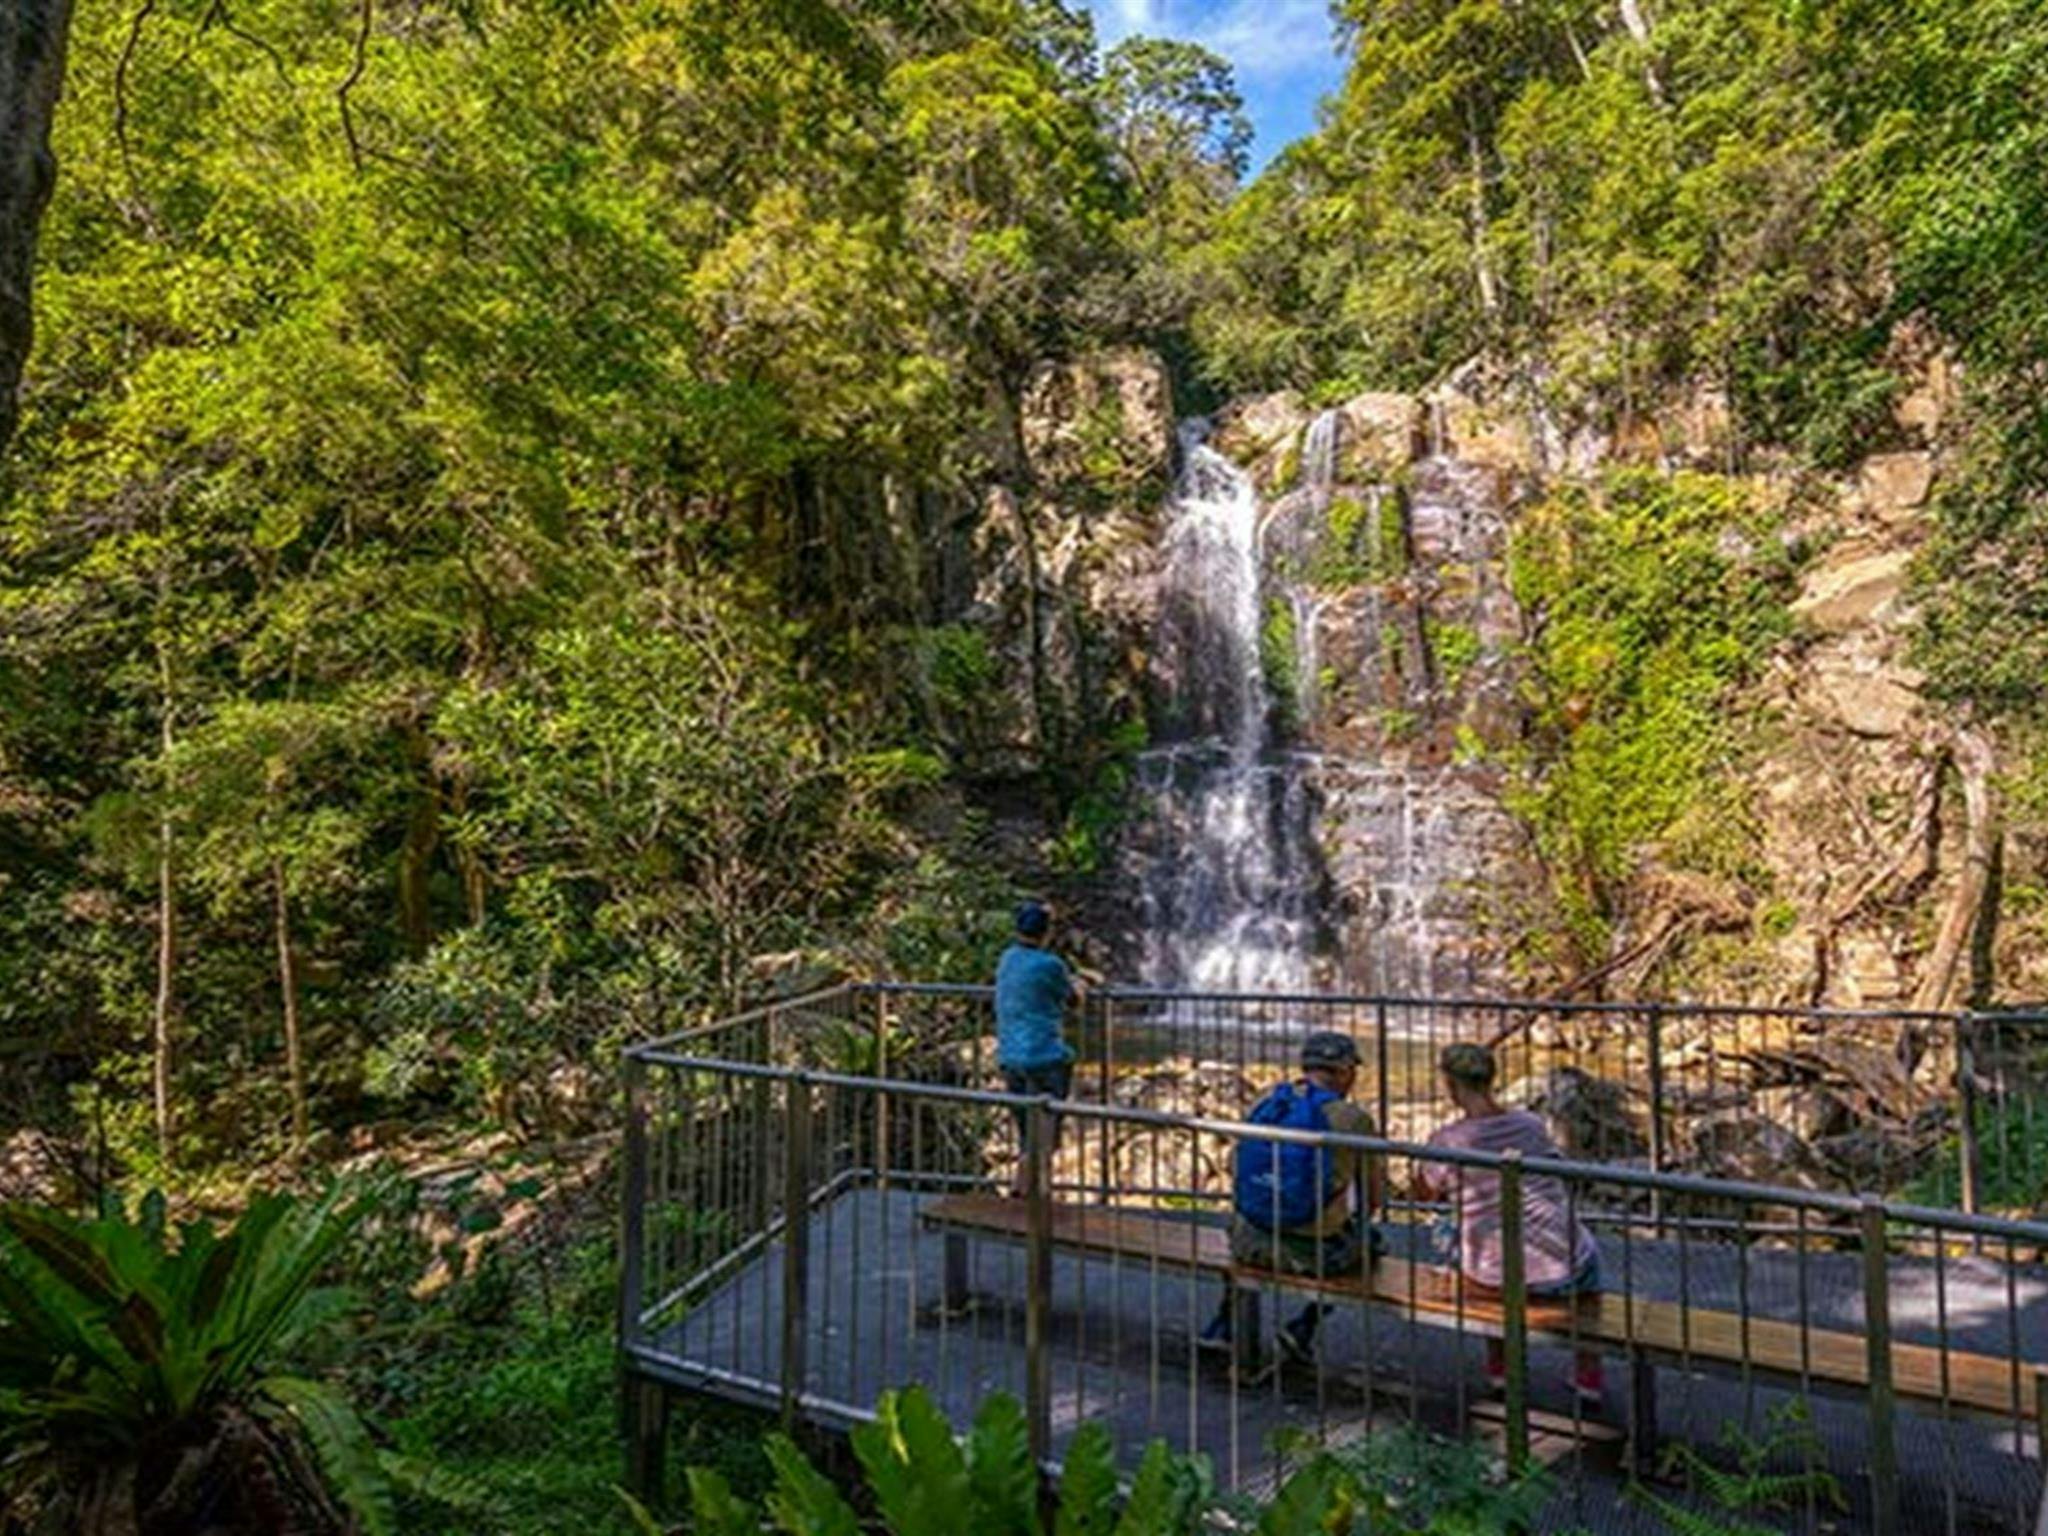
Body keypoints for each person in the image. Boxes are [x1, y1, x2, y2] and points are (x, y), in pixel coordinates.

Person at [1415, 1041, 1605, 1407]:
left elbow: (1424, 1195)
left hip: (1492, 1278)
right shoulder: (1531, 1125)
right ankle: (1588, 1373)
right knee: (1584, 1248)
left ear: (1451, 1085)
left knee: (1470, 1236)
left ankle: (1501, 1368)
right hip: (1566, 1269)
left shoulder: (1448, 1141)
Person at [1201, 1031, 1383, 1366]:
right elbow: (1374, 1197)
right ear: (1344, 1072)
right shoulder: (1353, 1119)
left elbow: (1236, 1167)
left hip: (1248, 1241)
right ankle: (1303, 1327)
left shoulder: (1267, 1104)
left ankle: (1223, 1323)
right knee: (1370, 1243)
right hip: (1311, 1254)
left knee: (1242, 1234)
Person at [993, 899, 1081, 1195]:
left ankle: (1020, 1194)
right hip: (1046, 1058)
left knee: (1027, 1137)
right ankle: (1039, 1206)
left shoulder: (1007, 958)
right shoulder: (1051, 964)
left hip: (1011, 1056)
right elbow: (1073, 1000)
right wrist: (1080, 986)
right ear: (1047, 933)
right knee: (1044, 1139)